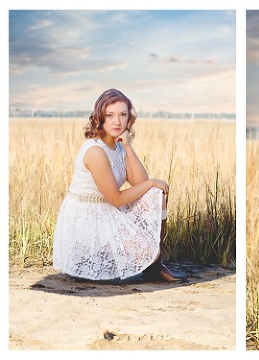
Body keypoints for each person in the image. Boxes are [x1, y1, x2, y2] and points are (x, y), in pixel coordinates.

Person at [52, 88, 187, 283]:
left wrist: (127, 147)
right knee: (144, 251)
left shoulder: (118, 146)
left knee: (155, 194)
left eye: (123, 115)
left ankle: (155, 267)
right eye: (110, 115)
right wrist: (151, 182)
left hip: (109, 211)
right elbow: (116, 199)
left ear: (128, 118)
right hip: (89, 219)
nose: (117, 122)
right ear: (100, 117)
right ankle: (86, 261)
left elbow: (140, 183)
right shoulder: (95, 151)